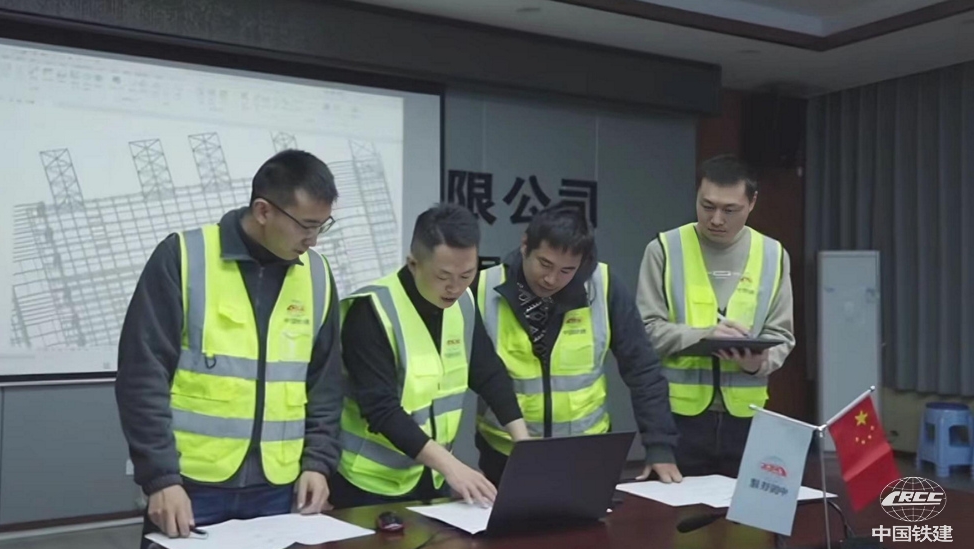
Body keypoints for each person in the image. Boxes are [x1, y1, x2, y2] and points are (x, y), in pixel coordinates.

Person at [116, 150, 343, 549]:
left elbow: (324, 383)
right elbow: (142, 375)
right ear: (263, 211)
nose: (313, 240)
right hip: (190, 487)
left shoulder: (317, 275)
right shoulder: (184, 257)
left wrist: (318, 462)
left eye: (322, 226)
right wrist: (161, 478)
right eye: (306, 226)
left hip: (280, 489)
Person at [333, 203, 530, 508]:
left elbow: (489, 374)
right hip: (369, 483)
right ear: (413, 264)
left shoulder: (463, 303)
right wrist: (454, 467)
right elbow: (381, 409)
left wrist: (524, 444)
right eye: (444, 276)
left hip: (430, 477)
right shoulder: (371, 311)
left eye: (467, 275)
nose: (455, 287)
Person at [473, 204, 681, 486]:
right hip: (504, 454)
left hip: (585, 452)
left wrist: (659, 446)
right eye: (545, 264)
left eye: (566, 270)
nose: (551, 279)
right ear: (525, 245)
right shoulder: (484, 288)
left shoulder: (603, 287)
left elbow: (642, 368)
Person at [636, 154, 795, 478]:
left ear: (752, 203)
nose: (716, 219)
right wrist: (702, 336)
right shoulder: (664, 249)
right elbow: (645, 330)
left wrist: (758, 363)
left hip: (748, 419)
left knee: (746, 510)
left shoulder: (773, 255)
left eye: (729, 210)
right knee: (675, 509)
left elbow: (783, 336)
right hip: (679, 419)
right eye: (707, 206)